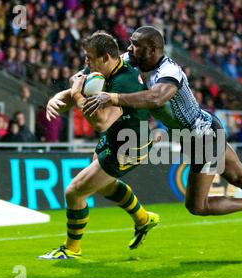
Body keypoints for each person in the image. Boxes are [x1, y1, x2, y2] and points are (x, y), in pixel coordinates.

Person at [84, 26, 242, 250]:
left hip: (203, 138)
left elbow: (157, 98)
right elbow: (104, 66)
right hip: (197, 133)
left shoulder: (169, 71)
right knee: (240, 177)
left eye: (135, 44)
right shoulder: (133, 58)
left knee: (197, 205)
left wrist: (112, 97)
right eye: (130, 42)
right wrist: (79, 79)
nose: (129, 48)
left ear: (151, 50)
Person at [39, 31, 159, 259]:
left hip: (130, 146)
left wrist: (75, 97)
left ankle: (71, 249)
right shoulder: (101, 69)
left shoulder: (125, 81)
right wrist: (57, 98)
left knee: (74, 192)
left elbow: (101, 122)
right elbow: (77, 85)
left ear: (105, 57)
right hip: (115, 138)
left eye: (90, 58)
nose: (86, 62)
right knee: (104, 186)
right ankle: (144, 219)